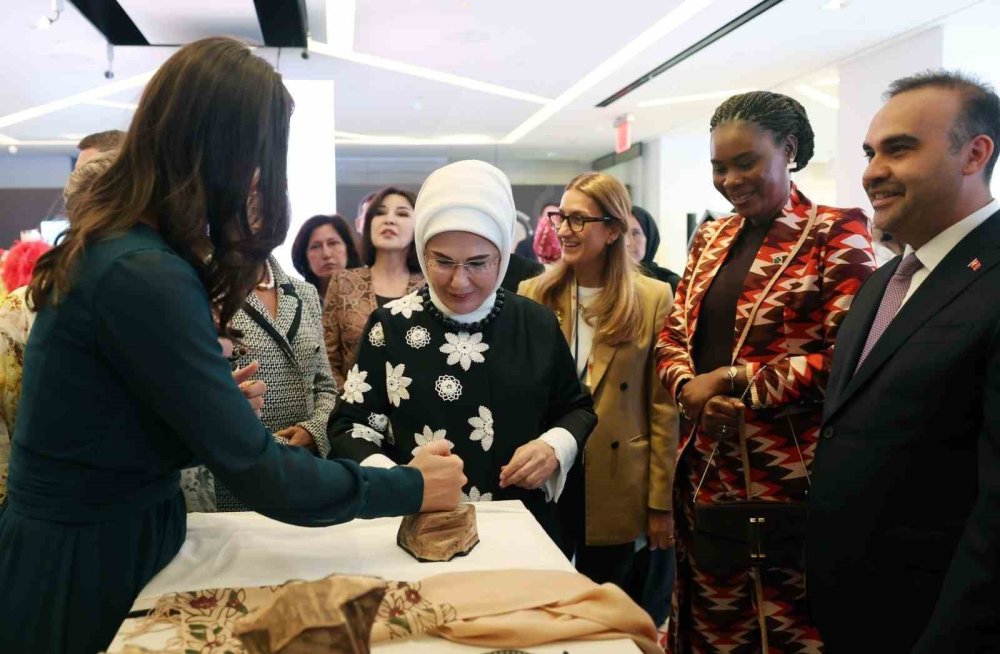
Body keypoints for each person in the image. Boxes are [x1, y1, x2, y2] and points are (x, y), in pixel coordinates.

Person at [0, 38, 464, 654]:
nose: (256, 178)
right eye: (259, 157)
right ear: (226, 153)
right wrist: (411, 486)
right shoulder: (143, 270)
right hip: (86, 566)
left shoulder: (125, 249)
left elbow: (102, 435)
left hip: (105, 543)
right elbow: (260, 473)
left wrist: (199, 425)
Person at [655, 90, 876, 652]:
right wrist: (689, 389)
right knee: (705, 618)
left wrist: (734, 381)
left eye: (745, 162)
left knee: (786, 630)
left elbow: (851, 357)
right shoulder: (710, 237)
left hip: (788, 477)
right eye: (718, 166)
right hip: (704, 462)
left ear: (790, 150)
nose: (730, 180)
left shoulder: (836, 231)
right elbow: (672, 336)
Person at [807, 71, 1000, 654]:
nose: (871, 171)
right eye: (870, 152)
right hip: (856, 610)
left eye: (899, 149)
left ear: (975, 154)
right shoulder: (883, 282)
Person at [327, 160, 596, 539]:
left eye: (477, 263)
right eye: (443, 262)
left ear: (503, 255)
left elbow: (575, 408)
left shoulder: (535, 324)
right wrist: (398, 481)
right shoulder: (391, 326)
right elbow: (350, 425)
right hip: (421, 524)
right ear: (422, 252)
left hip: (522, 527)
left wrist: (553, 447)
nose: (459, 281)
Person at [519, 172, 677, 595]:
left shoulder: (652, 297)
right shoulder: (533, 293)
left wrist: (661, 502)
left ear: (612, 230)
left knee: (606, 600)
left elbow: (663, 408)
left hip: (617, 475)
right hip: (548, 470)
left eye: (578, 220)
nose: (565, 231)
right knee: (544, 595)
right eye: (560, 217)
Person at [180, 251, 338, 512]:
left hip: (302, 471)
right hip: (233, 479)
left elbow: (325, 386)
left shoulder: (304, 292)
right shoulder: (195, 286)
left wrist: (315, 430)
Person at [323, 187, 424, 388]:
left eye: (402, 213)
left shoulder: (428, 287)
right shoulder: (343, 282)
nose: (389, 220)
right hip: (351, 407)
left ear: (418, 228)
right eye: (380, 212)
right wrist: (350, 403)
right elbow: (327, 360)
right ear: (368, 224)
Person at [291, 213, 360, 299]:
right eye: (315, 246)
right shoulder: (297, 302)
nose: (326, 254)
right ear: (305, 257)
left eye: (333, 243)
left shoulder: (369, 294)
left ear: (348, 248)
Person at [628, 205, 681, 293]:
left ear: (649, 237)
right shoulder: (604, 280)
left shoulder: (670, 283)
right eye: (622, 233)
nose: (627, 242)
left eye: (635, 233)